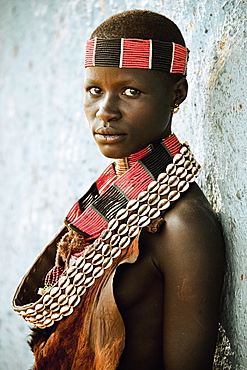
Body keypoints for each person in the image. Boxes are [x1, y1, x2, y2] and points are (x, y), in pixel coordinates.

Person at [12, 9, 225, 370]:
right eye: (94, 90)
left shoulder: (182, 227)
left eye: (130, 91)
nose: (105, 111)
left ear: (177, 94)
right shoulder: (108, 200)